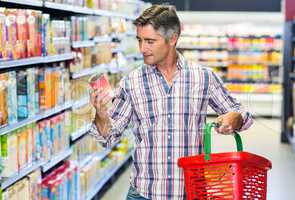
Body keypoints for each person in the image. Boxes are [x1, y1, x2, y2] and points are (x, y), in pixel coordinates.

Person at [89, 4, 253, 200]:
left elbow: (240, 113)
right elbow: (107, 137)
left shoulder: (203, 77)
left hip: (190, 192)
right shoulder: (131, 82)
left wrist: (235, 118)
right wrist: (101, 114)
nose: (142, 49)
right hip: (143, 193)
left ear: (173, 38)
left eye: (150, 41)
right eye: (140, 40)